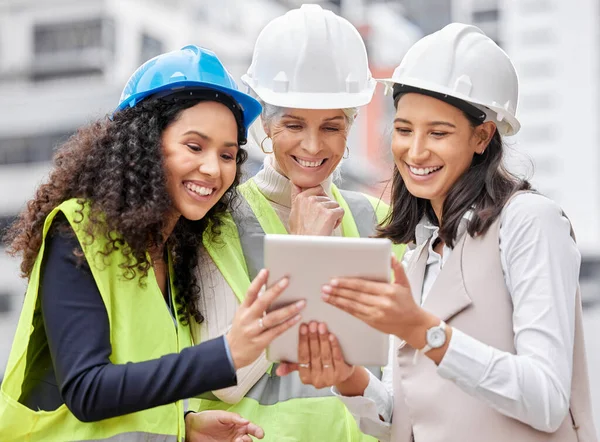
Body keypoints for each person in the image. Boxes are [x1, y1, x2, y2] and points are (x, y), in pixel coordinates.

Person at [281, 23, 598, 441]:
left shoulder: (529, 221)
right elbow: (407, 415)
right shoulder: (418, 253)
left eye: (439, 133)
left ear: (482, 136)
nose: (415, 151)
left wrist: (424, 332)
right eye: (405, 129)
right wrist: (349, 378)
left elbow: (546, 398)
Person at [0, 45, 306, 442]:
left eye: (227, 155)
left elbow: (138, 384)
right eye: (194, 147)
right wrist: (226, 354)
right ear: (144, 144)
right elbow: (86, 390)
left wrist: (184, 425)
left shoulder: (170, 251)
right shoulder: (78, 229)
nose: (213, 169)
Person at [187, 4, 405, 441]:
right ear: (264, 124)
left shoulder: (380, 221)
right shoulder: (219, 223)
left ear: (351, 126)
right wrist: (302, 256)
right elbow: (224, 383)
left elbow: (400, 384)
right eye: (293, 124)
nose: (312, 144)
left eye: (331, 126)